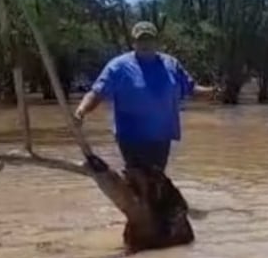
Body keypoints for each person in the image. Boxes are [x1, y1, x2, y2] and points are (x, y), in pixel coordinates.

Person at [73, 21, 215, 172]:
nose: (145, 44)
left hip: (162, 137)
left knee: (157, 179)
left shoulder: (171, 64)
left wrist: (213, 91)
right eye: (140, 40)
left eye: (149, 39)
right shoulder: (119, 67)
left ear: (157, 42)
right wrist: (81, 111)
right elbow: (97, 93)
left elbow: (191, 88)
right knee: (140, 178)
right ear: (133, 42)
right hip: (132, 137)